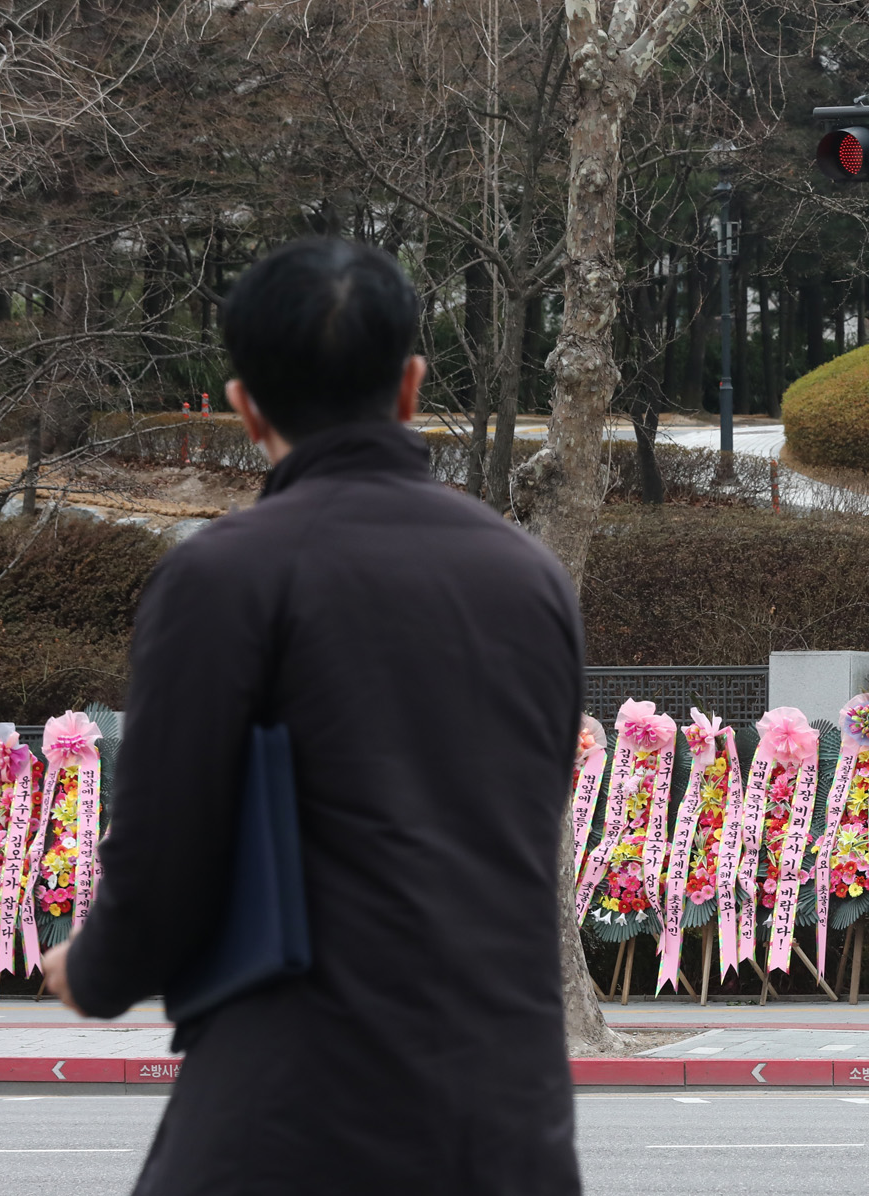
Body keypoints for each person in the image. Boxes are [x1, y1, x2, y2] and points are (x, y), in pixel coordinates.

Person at [44, 238, 584, 1194]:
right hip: (505, 1122)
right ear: (411, 386)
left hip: (292, 1115)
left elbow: (165, 843)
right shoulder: (530, 577)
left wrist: (95, 969)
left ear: (245, 405)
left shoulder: (225, 576)